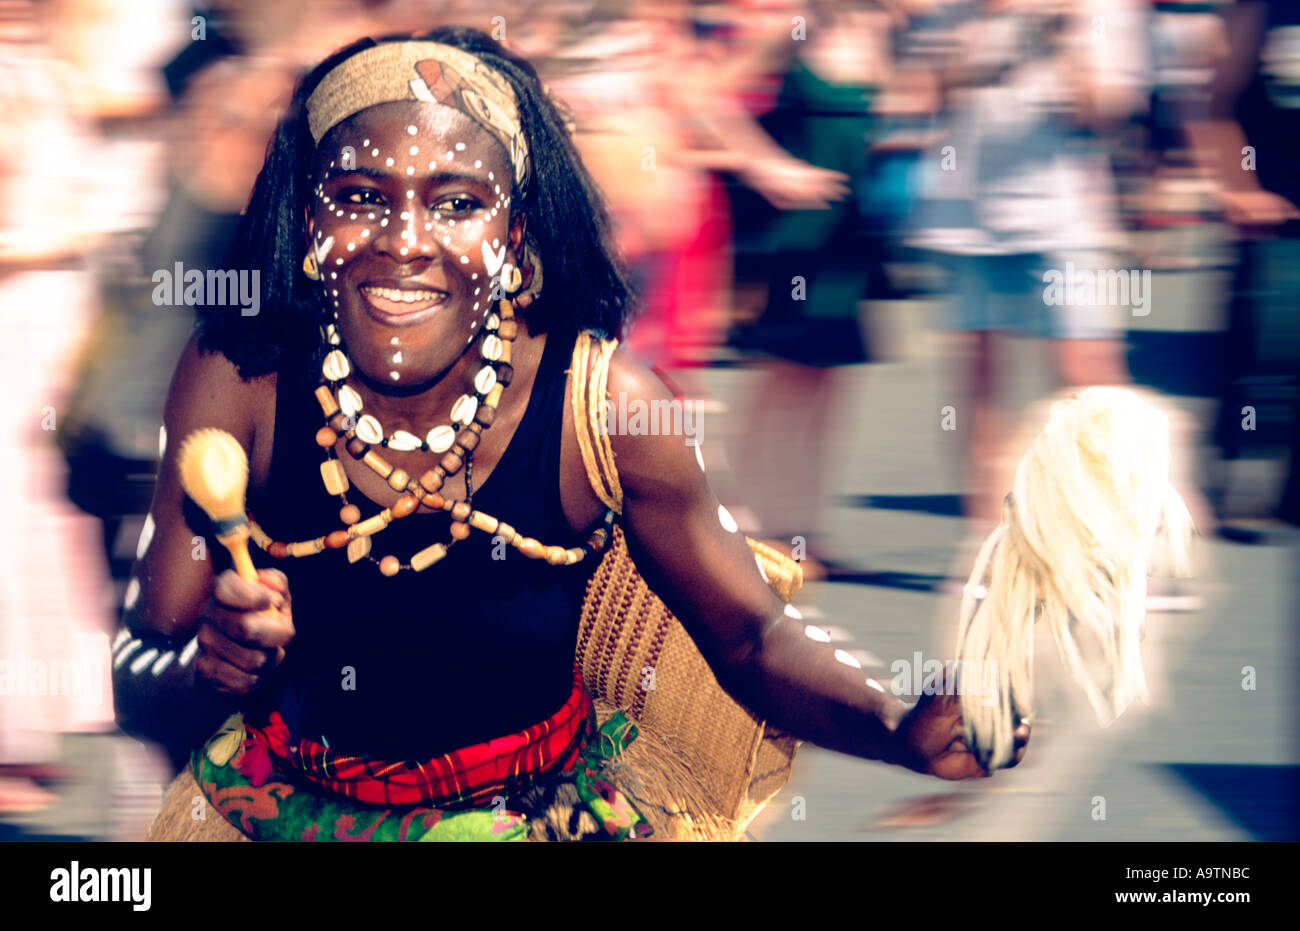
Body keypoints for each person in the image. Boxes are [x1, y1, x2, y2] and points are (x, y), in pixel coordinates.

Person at [116, 26, 1028, 842]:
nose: (405, 238)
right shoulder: (239, 379)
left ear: (515, 234)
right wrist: (210, 668)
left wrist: (896, 725)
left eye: (457, 202)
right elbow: (139, 671)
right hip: (287, 813)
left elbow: (750, 636)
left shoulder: (608, 409)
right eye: (360, 194)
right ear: (310, 221)